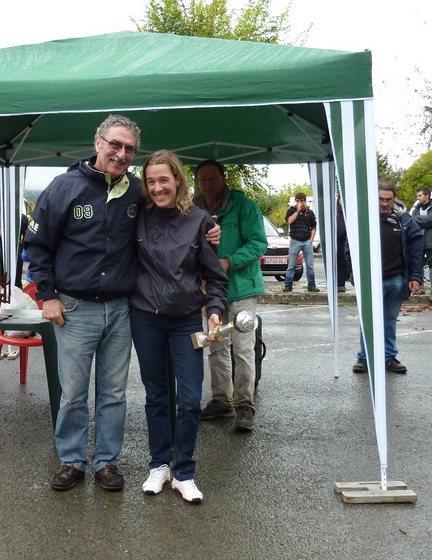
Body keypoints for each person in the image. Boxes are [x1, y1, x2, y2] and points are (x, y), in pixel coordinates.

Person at [25, 114, 220, 493]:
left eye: (129, 148)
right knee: (74, 392)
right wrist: (46, 296)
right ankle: (72, 460)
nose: (121, 153)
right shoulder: (62, 187)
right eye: (115, 144)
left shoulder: (137, 192)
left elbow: (171, 216)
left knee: (114, 393)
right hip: (74, 307)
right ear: (97, 142)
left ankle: (106, 463)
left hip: (120, 308)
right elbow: (38, 246)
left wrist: (209, 228)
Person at [131, 151, 227, 503]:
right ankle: (159, 464)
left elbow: (215, 277)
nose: (158, 188)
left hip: (187, 319)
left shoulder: (200, 221)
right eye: (151, 181)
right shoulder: (137, 219)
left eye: (164, 180)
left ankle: (183, 471)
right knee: (156, 396)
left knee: (188, 399)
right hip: (145, 319)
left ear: (178, 181)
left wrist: (214, 310)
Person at [192, 159, 268, 432]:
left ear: (223, 178)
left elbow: (259, 243)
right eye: (203, 179)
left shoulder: (243, 205)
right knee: (216, 345)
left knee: (243, 348)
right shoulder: (193, 206)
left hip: (241, 290)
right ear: (196, 181)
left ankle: (244, 404)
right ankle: (221, 399)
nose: (208, 184)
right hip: (210, 291)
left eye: (213, 178)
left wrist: (229, 261)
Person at [352, 182, 423, 375]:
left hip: (395, 279)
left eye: (388, 200)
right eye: (380, 199)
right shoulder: (363, 219)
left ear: (394, 199)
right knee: (368, 320)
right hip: (369, 281)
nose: (384, 203)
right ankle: (364, 358)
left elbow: (416, 248)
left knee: (389, 320)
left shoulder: (404, 220)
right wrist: (354, 274)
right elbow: (348, 247)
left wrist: (416, 276)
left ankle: (389, 357)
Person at [411, 186, 432, 302]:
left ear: (427, 196)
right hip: (418, 240)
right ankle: (421, 288)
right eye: (417, 196)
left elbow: (431, 220)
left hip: (431, 241)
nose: (418, 198)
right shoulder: (416, 208)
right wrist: (422, 220)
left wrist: (418, 220)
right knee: (418, 263)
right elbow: (412, 220)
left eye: (420, 195)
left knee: (431, 264)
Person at [282, 192, 319, 292]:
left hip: (307, 241)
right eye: (298, 201)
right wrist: (297, 211)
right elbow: (289, 221)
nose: (300, 203)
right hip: (295, 240)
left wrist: (311, 240)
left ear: (304, 201)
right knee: (292, 265)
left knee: (310, 265)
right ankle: (288, 285)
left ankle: (311, 285)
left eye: (302, 201)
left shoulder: (310, 212)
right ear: (296, 201)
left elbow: (314, 227)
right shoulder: (291, 210)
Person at [336, 195, 351, 292]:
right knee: (335, 262)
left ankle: (341, 284)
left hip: (345, 239)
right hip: (336, 239)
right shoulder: (335, 211)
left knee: (343, 262)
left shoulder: (349, 211)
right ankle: (335, 283)